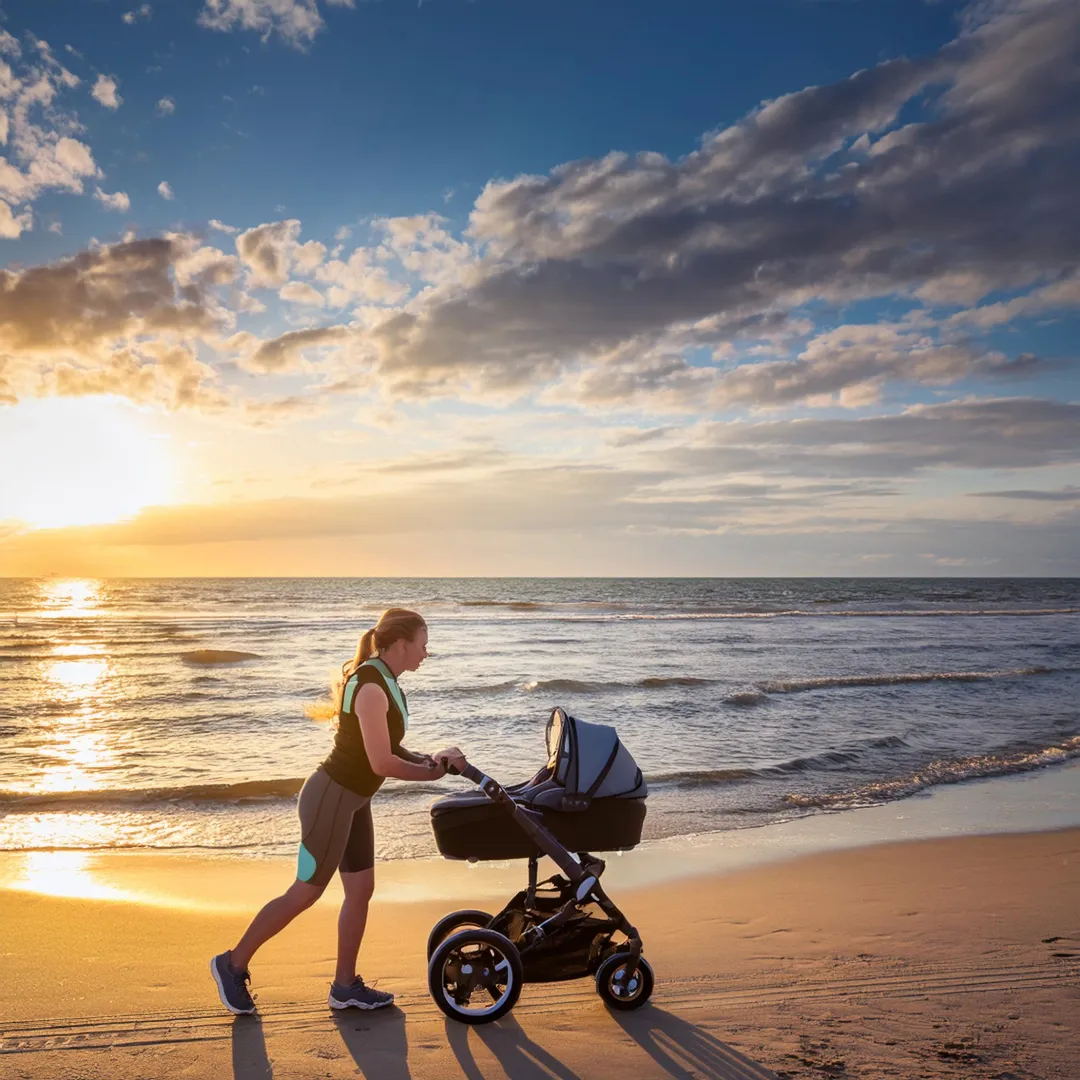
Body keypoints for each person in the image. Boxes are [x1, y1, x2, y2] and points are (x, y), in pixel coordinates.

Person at [211, 608, 465, 1015]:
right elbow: (381, 763)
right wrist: (431, 774)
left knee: (360, 891)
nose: (426, 653)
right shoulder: (370, 686)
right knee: (305, 891)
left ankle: (345, 986)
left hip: (353, 803)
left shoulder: (388, 682)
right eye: (423, 644)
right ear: (402, 644)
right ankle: (232, 963)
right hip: (329, 801)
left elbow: (390, 747)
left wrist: (429, 759)